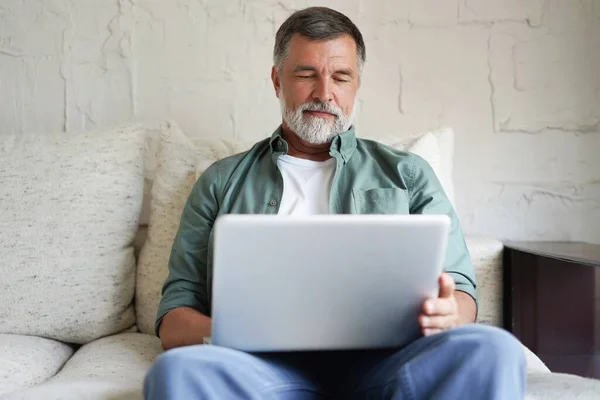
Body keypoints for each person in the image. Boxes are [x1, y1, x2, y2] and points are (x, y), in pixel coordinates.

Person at [144, 6, 526, 400]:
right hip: (260, 368)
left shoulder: (409, 174)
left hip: (388, 363)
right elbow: (174, 318)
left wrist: (450, 315)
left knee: (494, 350)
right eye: (306, 74)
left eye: (340, 77)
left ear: (356, 86)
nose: (324, 93)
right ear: (277, 81)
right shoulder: (220, 182)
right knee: (176, 372)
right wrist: (233, 331)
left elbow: (462, 292)